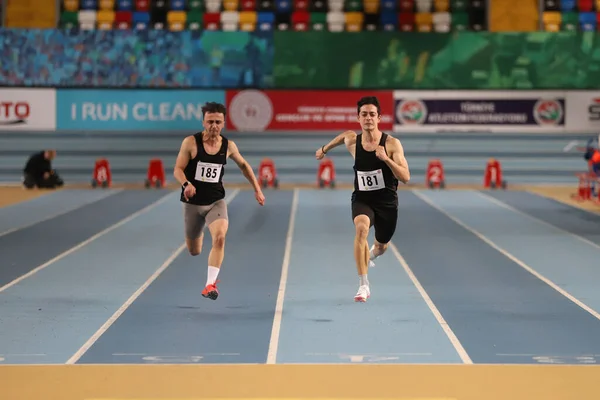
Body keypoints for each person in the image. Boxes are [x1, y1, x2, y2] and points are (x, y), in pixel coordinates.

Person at [315, 96, 410, 302]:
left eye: (372, 114)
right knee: (361, 229)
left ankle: (371, 255)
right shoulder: (353, 140)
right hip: (362, 198)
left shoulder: (392, 144)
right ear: (358, 118)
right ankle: (364, 285)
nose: (368, 118)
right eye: (364, 114)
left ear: (379, 118)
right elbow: (342, 137)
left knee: (382, 246)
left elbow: (406, 177)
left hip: (387, 202)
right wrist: (324, 149)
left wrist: (386, 160)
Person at [173, 101, 266, 301]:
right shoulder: (191, 143)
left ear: (223, 123)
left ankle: (210, 285)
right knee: (194, 250)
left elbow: (244, 165)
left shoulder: (228, 146)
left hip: (216, 202)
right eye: (210, 122)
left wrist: (257, 189)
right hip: (193, 204)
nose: (214, 126)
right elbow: (177, 169)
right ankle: (200, 240)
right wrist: (186, 184)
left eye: (218, 122)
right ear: (203, 122)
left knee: (220, 237)